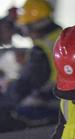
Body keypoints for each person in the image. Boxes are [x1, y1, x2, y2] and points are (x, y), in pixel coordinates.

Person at [0, 0, 61, 131]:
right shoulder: (62, 35)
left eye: (26, 27)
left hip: (51, 103)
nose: (25, 32)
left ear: (34, 26)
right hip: (65, 101)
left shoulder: (40, 50)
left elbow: (25, 85)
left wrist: (6, 94)